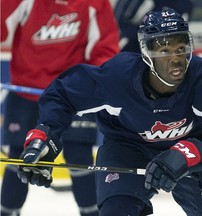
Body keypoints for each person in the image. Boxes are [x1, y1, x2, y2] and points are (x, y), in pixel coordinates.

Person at [16, 8, 202, 216]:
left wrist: (190, 154)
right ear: (146, 52)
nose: (176, 59)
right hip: (128, 149)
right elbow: (63, 94)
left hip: (192, 152)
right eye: (165, 50)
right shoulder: (119, 78)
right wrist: (46, 137)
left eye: (181, 48)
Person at [0, 0, 119, 215]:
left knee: (79, 155)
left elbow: (104, 48)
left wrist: (92, 85)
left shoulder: (94, 3)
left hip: (70, 95)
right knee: (20, 156)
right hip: (26, 93)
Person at [112, 0, 195, 52]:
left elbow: (181, 31)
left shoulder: (186, 4)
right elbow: (118, 22)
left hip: (161, 51)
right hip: (131, 47)